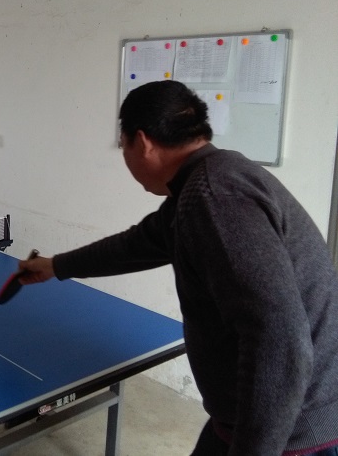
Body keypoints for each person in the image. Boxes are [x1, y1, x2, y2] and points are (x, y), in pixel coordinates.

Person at [17, 80, 338, 455]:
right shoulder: (211, 178)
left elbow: (279, 341)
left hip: (293, 434)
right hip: (252, 419)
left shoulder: (215, 198)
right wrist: (55, 266)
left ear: (143, 142)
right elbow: (136, 246)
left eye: (123, 145)